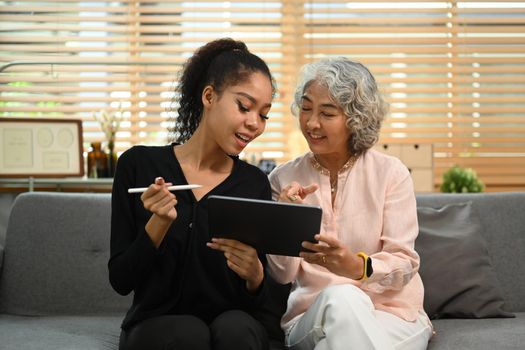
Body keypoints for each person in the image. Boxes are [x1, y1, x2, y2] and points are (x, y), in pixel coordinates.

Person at [109, 38, 276, 350]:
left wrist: (255, 277)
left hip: (231, 325)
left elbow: (258, 299)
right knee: (188, 333)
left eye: (264, 114)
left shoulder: (254, 184)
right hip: (156, 326)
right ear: (209, 96)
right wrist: (158, 223)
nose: (254, 124)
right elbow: (120, 280)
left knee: (237, 329)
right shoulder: (138, 165)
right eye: (244, 106)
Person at [267, 58, 433, 350]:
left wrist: (357, 267)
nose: (311, 122)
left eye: (327, 113)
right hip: (312, 316)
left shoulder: (391, 174)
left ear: (356, 118)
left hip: (393, 316)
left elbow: (404, 263)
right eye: (305, 108)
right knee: (343, 298)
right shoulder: (283, 178)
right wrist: (285, 215)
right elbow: (281, 275)